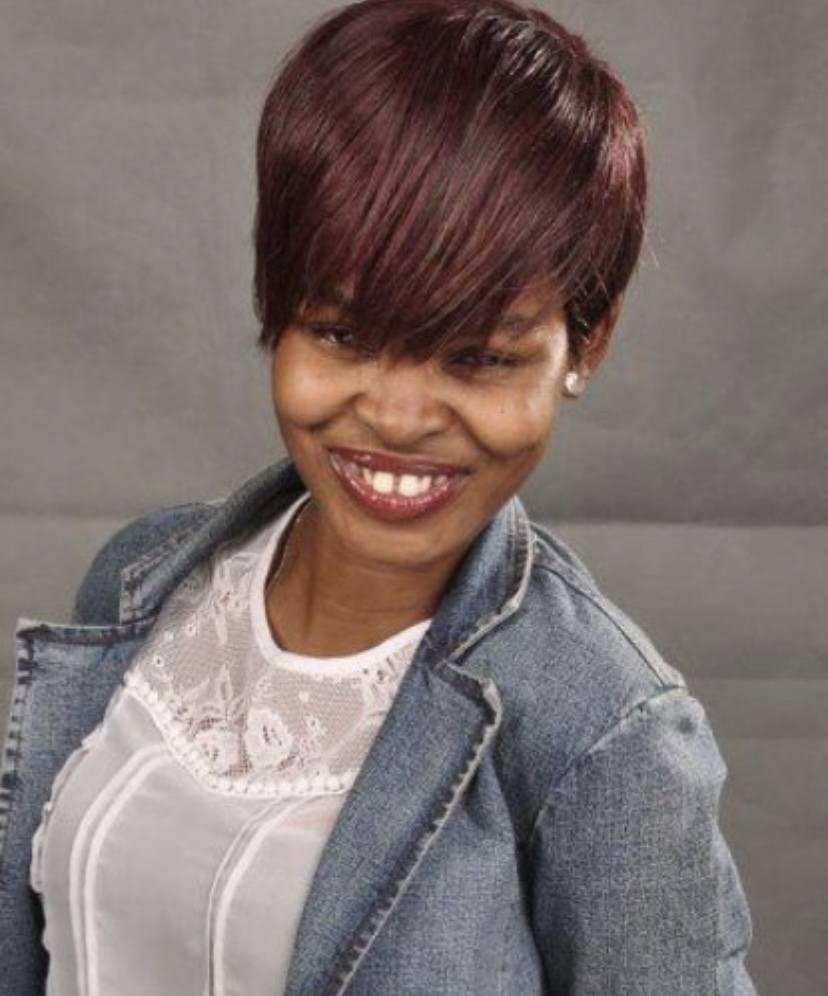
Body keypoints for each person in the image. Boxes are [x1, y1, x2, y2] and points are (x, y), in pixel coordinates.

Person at [0, 1, 758, 994]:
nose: (397, 417)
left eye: (478, 357)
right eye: (343, 335)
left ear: (589, 342)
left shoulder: (606, 733)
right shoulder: (146, 582)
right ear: (277, 302)